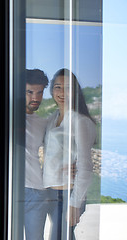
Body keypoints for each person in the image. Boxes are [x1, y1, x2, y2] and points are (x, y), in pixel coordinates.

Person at [43, 68, 96, 240]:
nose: (62, 92)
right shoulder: (52, 118)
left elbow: (86, 167)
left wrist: (75, 203)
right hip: (51, 194)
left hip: (68, 195)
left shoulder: (79, 121)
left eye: (67, 87)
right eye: (58, 87)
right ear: (52, 90)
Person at [24, 69, 50, 240]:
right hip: (8, 191)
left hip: (36, 193)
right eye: (30, 92)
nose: (36, 98)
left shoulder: (43, 123)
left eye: (40, 92)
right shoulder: (3, 115)